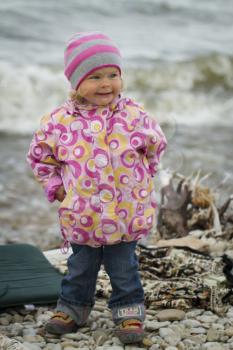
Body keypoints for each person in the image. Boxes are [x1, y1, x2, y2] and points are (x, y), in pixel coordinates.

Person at [27, 31, 167, 344]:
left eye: (113, 75)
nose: (106, 84)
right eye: (95, 77)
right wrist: (55, 187)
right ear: (75, 81)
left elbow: (156, 142)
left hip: (125, 211)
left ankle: (128, 310)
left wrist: (147, 171)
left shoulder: (133, 115)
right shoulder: (59, 121)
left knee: (124, 266)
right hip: (82, 212)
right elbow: (40, 157)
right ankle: (73, 308)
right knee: (80, 265)